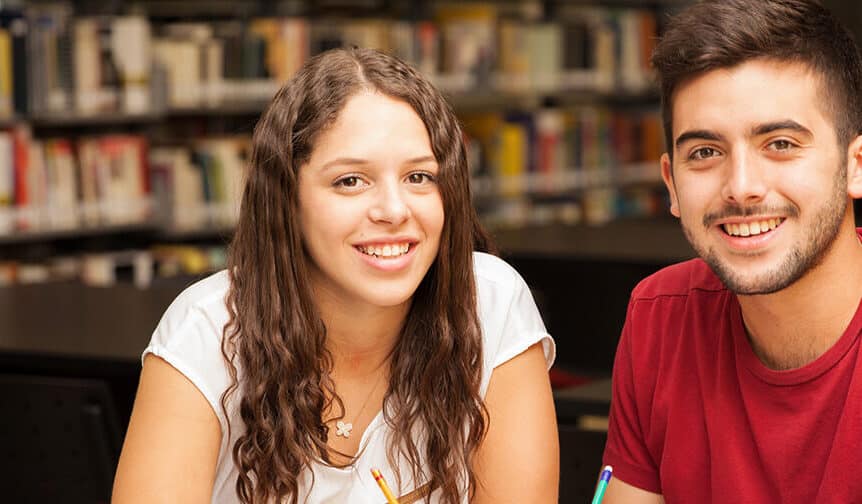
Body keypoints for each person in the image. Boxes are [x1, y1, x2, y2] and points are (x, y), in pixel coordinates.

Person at [111, 47, 558, 504]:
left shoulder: (492, 303)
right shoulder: (206, 332)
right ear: (288, 199)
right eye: (350, 181)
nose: (393, 210)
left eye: (419, 177)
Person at [601, 0, 862, 502]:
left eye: (781, 143)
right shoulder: (661, 316)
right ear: (671, 184)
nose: (741, 188)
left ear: (855, 166)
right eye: (705, 153)